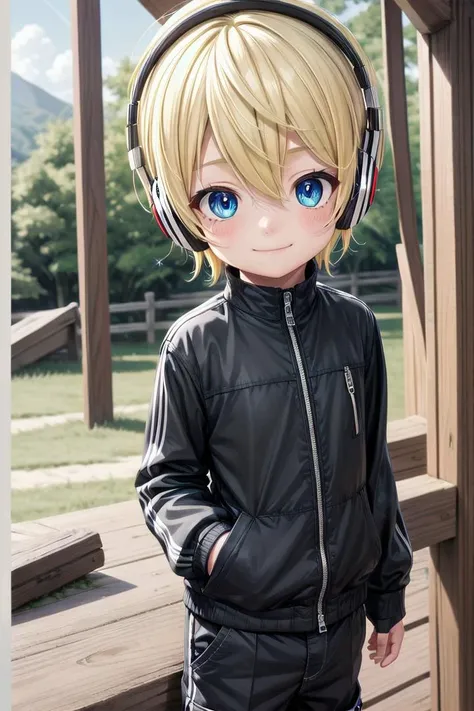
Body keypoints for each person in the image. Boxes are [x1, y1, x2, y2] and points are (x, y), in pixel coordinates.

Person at [128, 1, 413, 709]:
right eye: (223, 195)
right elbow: (164, 483)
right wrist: (224, 553)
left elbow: (373, 472)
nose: (265, 221)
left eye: (305, 184)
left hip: (339, 629)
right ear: (175, 209)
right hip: (236, 639)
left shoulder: (354, 327)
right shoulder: (194, 344)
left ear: (355, 182)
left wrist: (389, 590)